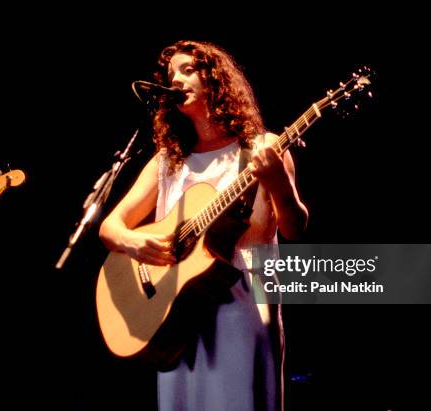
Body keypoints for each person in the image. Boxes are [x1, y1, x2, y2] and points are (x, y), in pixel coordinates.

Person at [99, 40, 308, 411]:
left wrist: (277, 182)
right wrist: (134, 244)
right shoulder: (168, 161)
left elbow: (294, 228)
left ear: (216, 78)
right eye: (170, 75)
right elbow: (111, 227)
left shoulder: (264, 147)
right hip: (175, 309)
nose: (176, 79)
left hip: (243, 302)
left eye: (187, 70)